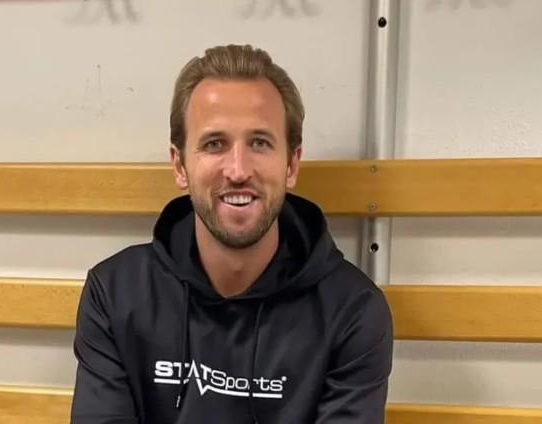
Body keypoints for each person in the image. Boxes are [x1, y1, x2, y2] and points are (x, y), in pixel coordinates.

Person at [70, 44, 393, 424]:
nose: (238, 170)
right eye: (214, 144)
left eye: (259, 143)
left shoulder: (352, 311)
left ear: (291, 165)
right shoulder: (115, 293)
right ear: (179, 165)